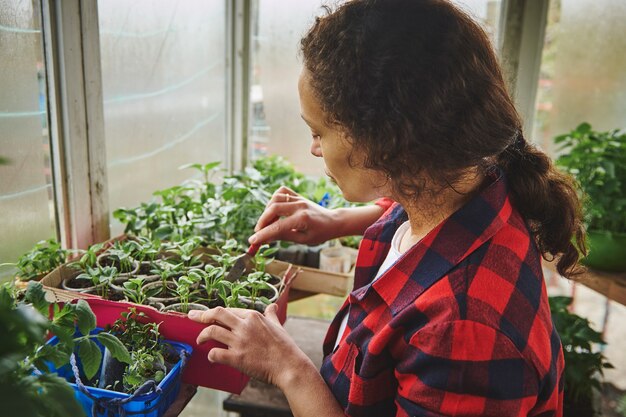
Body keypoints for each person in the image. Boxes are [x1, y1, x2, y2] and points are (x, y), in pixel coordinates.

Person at [188, 1, 585, 416]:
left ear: (387, 141)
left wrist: (287, 369)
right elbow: (424, 221)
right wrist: (338, 221)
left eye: (318, 131)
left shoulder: (462, 329)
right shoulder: (461, 182)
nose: (314, 148)